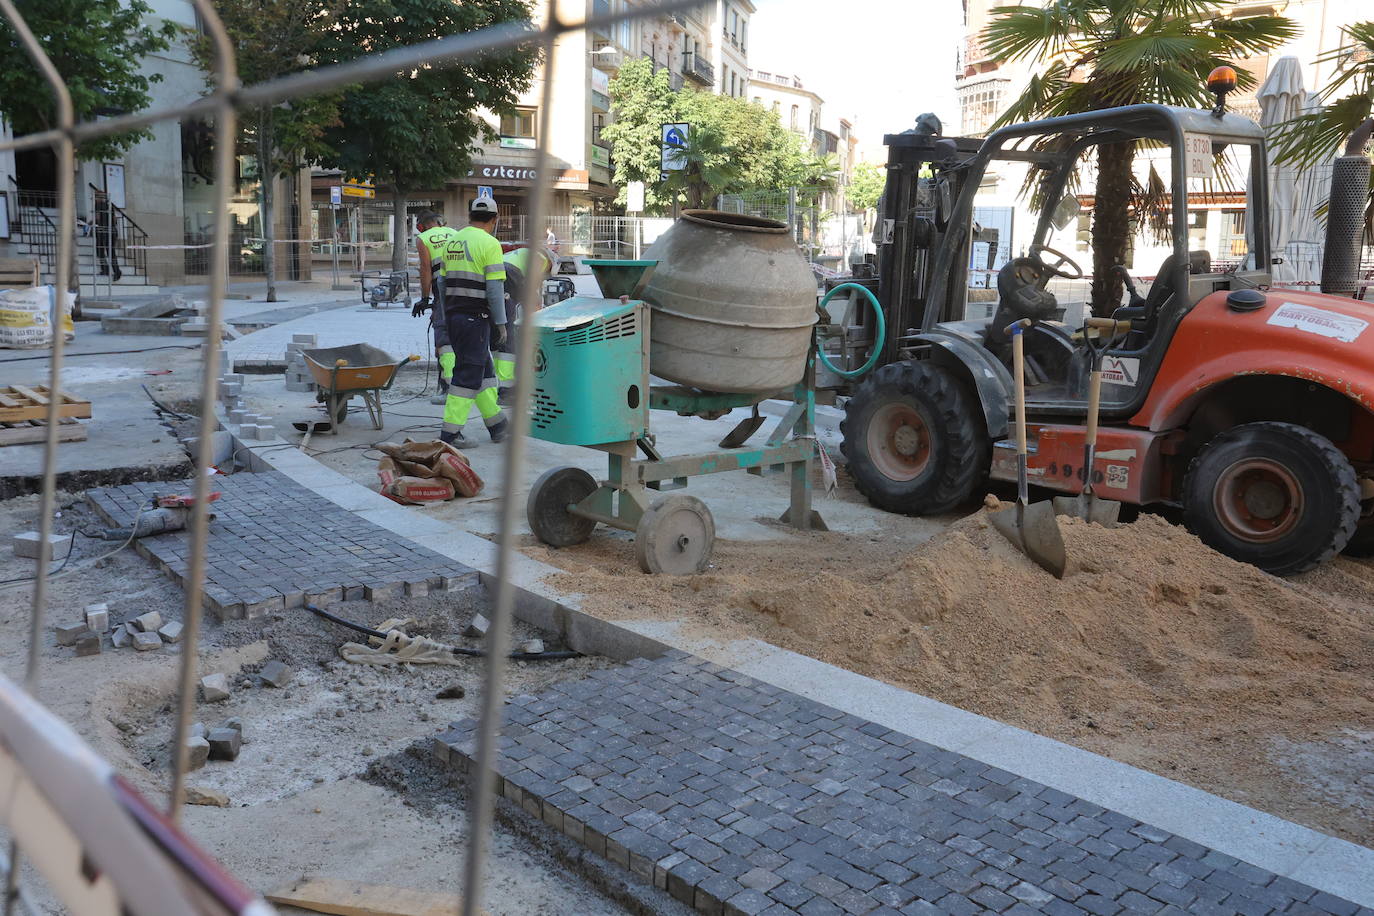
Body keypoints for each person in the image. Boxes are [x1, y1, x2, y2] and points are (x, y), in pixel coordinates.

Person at [412, 198, 508, 447]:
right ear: (494, 219)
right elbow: (495, 289)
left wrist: (445, 314)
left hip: (455, 316)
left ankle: (497, 425)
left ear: (470, 216)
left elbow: (441, 282)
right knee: (467, 375)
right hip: (476, 318)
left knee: (484, 372)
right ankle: (451, 434)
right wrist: (501, 324)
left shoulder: (453, 241)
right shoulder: (490, 243)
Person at [494, 245, 553, 406]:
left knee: (500, 332)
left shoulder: (522, 253)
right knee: (509, 337)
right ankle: (507, 392)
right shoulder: (542, 259)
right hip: (510, 273)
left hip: (495, 273)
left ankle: (500, 387)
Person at [412, 212, 456, 406]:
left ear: (421, 227)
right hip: (466, 286)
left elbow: (425, 269)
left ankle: (449, 387)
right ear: (440, 222)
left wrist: (424, 298)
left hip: (443, 288)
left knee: (444, 337)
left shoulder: (423, 239)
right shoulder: (455, 233)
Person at [94, 190, 122, 281]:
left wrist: (92, 224)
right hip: (112, 231)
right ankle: (116, 271)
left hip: (103, 231)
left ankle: (107, 269)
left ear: (98, 198)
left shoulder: (98, 205)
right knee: (111, 252)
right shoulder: (110, 205)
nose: (95, 199)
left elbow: (97, 218)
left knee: (100, 251)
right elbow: (114, 220)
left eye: (96, 197)